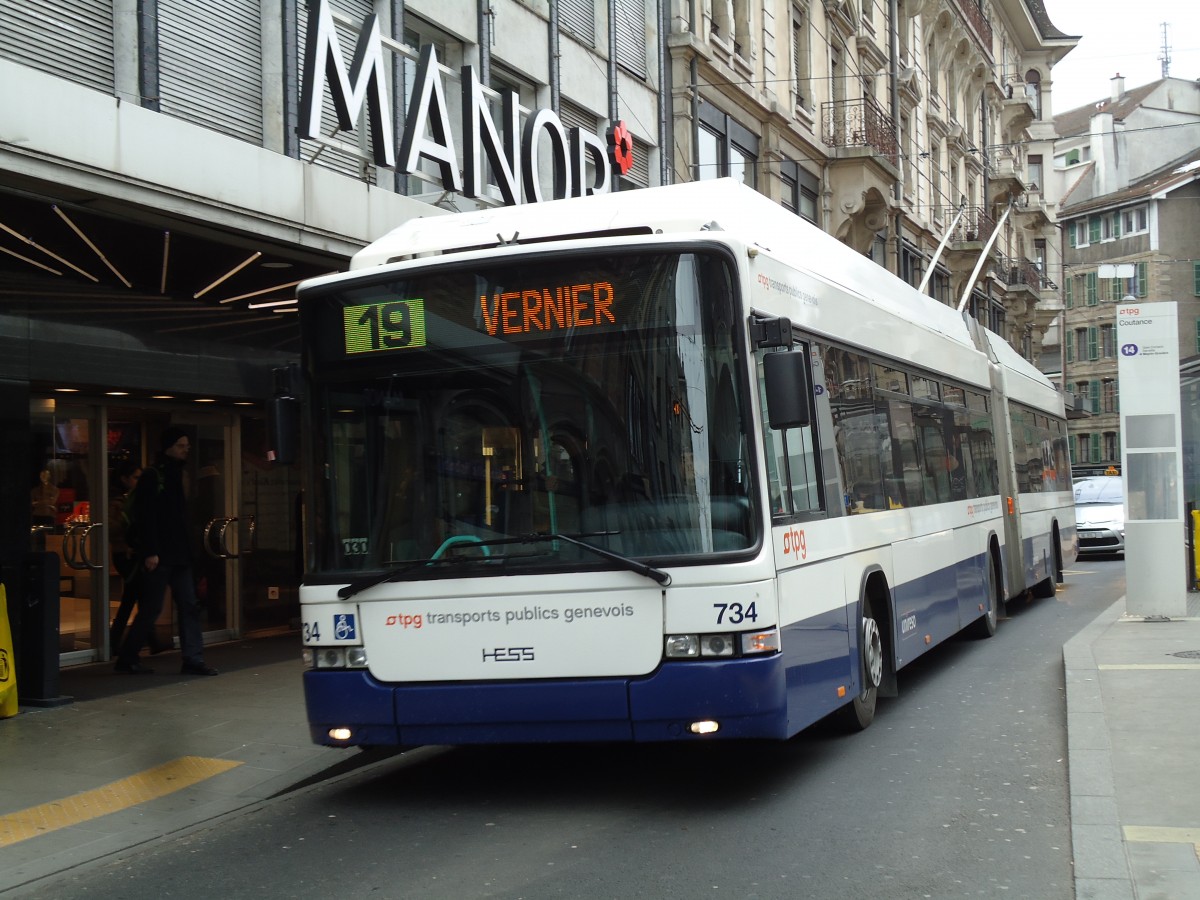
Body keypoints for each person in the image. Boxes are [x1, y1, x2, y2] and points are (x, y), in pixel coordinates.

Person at [114, 426, 218, 676]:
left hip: (177, 553)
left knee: (185, 604)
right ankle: (129, 657)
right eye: (181, 446)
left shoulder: (176, 473)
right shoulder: (154, 475)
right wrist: (150, 551)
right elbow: (147, 515)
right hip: (162, 553)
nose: (186, 450)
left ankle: (192, 658)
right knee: (154, 607)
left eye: (186, 446)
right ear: (169, 446)